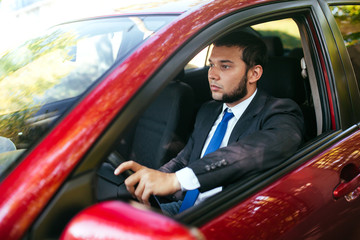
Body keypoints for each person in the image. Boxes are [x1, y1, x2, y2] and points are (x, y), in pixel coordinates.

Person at [114, 31, 304, 215]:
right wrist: (152, 179)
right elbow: (183, 160)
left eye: (225, 66)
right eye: (211, 65)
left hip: (222, 217)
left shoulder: (280, 111)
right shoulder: (208, 110)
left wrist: (175, 181)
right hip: (182, 207)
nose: (212, 74)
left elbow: (261, 148)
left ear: (254, 74)